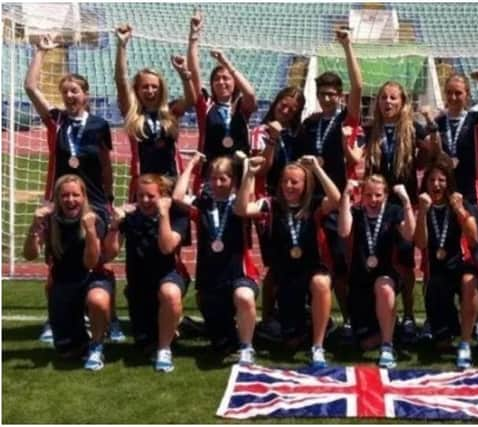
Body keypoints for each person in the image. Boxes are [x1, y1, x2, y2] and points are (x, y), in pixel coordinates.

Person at [24, 33, 119, 343]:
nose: (70, 96)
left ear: (86, 94)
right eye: (65, 92)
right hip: (62, 201)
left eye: (75, 91)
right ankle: (57, 318)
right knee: (58, 260)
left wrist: (109, 199)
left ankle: (109, 318)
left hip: (92, 201)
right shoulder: (56, 121)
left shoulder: (100, 126)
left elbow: (105, 165)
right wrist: (40, 52)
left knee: (98, 259)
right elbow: (30, 88)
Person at [235, 155, 340, 368]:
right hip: (286, 272)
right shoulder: (270, 204)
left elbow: (336, 199)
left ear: (305, 184)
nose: (289, 186)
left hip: (311, 268)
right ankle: (306, 325)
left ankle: (318, 347)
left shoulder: (314, 204)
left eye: (295, 182)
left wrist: (317, 170)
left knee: (321, 283)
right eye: (285, 181)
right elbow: (242, 209)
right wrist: (249, 174)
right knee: (290, 342)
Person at [424, 69, 478, 344]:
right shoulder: (440, 121)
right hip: (443, 194)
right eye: (450, 93)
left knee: (475, 257)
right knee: (441, 253)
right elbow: (432, 154)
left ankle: (476, 319)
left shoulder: (476, 120)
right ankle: (438, 317)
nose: (455, 97)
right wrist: (429, 126)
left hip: (470, 195)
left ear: (467, 95)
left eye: (459, 93)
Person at [299, 28, 364, 338]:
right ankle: (317, 317)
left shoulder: (345, 121)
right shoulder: (309, 124)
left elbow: (359, 85)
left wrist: (347, 45)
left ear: (339, 96)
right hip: (313, 204)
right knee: (315, 262)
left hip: (341, 204)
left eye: (332, 94)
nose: (327, 98)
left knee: (343, 264)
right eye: (322, 94)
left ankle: (352, 317)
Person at [172, 152, 259, 365]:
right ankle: (227, 335)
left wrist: (248, 170)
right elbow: (177, 197)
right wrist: (192, 164)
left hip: (239, 274)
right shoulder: (203, 203)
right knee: (221, 344)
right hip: (210, 278)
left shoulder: (241, 203)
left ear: (234, 181)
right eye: (214, 178)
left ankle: (247, 347)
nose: (218, 183)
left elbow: (247, 198)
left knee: (244, 297)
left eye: (224, 178)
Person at [23, 175, 112, 371]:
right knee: (68, 352)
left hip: (92, 277)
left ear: (83, 197)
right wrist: (34, 226)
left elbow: (91, 262)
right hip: (64, 282)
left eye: (75, 195)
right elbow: (29, 255)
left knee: (97, 300)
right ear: (57, 198)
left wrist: (89, 231)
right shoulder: (50, 220)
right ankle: (81, 335)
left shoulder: (94, 218)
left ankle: (97, 344)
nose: (70, 200)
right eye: (64, 195)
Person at [104, 174, 191, 373]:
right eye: (140, 195)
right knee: (144, 343)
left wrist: (163, 215)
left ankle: (165, 349)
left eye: (150, 196)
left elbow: (167, 247)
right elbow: (109, 253)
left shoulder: (177, 215)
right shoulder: (131, 217)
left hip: (169, 276)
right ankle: (172, 326)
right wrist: (114, 226)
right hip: (140, 285)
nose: (144, 201)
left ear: (162, 196)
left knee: (170, 293)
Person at [363, 81, 427, 343]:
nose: (387, 102)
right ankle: (376, 314)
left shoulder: (413, 129)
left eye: (393, 98)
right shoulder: (371, 130)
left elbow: (431, 155)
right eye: (383, 98)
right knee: (373, 257)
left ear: (402, 103)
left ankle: (410, 313)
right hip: (375, 204)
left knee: (405, 262)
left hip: (402, 204)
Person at [338, 177, 415, 368]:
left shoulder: (393, 212)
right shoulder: (356, 211)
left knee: (384, 287)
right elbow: (343, 231)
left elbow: (409, 234)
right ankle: (391, 326)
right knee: (365, 343)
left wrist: (406, 202)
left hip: (386, 274)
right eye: (368, 195)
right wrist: (346, 197)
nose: (373, 199)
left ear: (386, 195)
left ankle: (388, 345)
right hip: (361, 280)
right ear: (362, 196)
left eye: (378, 195)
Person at [248, 86, 306, 342]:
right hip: (270, 200)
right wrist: (272, 139)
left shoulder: (297, 132)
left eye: (293, 109)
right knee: (274, 262)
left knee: (295, 259)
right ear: (276, 102)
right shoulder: (261, 131)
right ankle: (269, 316)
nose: (287, 110)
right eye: (284, 104)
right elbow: (261, 169)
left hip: (295, 202)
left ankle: (293, 311)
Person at [414, 156, 478, 369]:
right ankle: (446, 326)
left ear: (448, 182)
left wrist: (460, 210)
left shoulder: (459, 204)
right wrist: (423, 212)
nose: (436, 185)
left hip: (461, 264)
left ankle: (465, 341)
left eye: (441, 180)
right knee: (441, 345)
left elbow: (474, 238)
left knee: (470, 281)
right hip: (438, 270)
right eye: (432, 180)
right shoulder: (424, 207)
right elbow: (421, 243)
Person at [114, 23, 196, 197]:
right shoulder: (133, 113)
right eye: (145, 87)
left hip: (172, 182)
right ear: (137, 90)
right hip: (144, 184)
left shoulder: (170, 111)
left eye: (154, 86)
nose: (150, 91)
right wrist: (122, 46)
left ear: (161, 89)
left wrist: (184, 76)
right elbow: (121, 80)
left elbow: (191, 100)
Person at [187, 10, 257, 194]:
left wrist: (226, 63)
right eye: (217, 79)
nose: (221, 82)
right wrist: (194, 38)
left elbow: (250, 93)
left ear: (235, 83)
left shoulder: (241, 107)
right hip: (211, 174)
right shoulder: (206, 106)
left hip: (239, 174)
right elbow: (194, 75)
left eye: (226, 78)